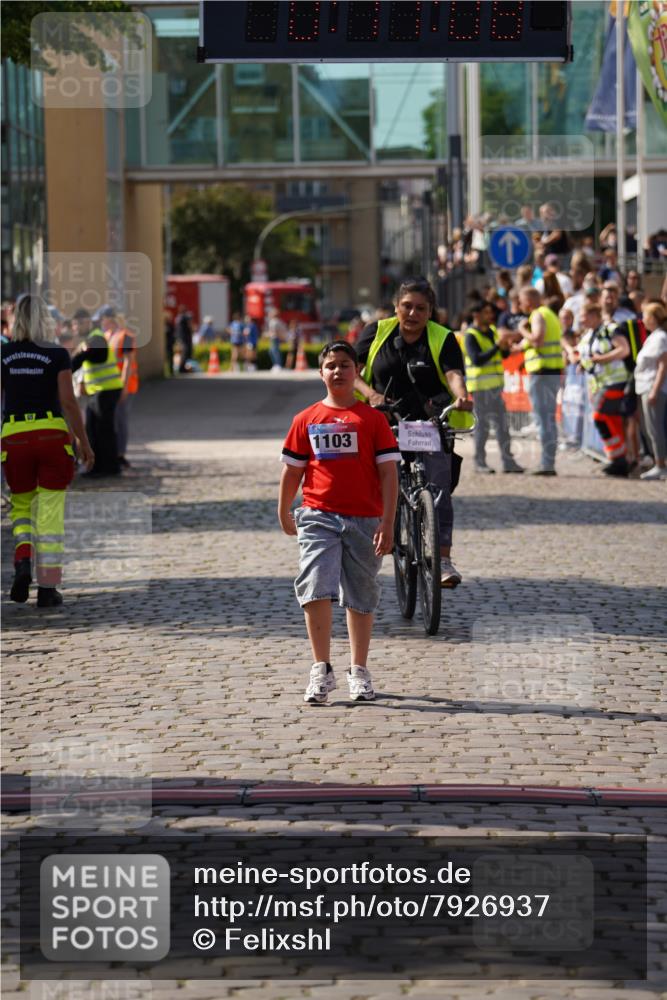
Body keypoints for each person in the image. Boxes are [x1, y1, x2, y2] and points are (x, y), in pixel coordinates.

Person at [278, 341, 400, 704]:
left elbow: (389, 473)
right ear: (321, 372)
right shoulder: (306, 419)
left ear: (356, 372)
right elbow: (292, 470)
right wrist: (284, 509)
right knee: (315, 584)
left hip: (365, 518)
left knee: (361, 595)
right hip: (318, 515)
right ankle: (321, 669)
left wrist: (388, 521)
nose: (338, 371)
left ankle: (359, 670)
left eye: (345, 365)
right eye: (331, 365)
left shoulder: (373, 420)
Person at [355, 276, 474, 587]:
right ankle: (386, 534)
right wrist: (370, 394)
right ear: (396, 307)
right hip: (385, 420)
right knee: (380, 482)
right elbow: (350, 370)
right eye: (406, 306)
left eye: (420, 308)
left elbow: (453, 374)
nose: (412, 313)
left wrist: (461, 396)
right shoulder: (377, 332)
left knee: (438, 488)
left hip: (428, 422)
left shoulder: (443, 337)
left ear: (430, 311)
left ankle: (444, 559)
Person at [1, 294, 94, 607]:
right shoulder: (56, 354)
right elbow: (68, 401)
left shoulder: (5, 354)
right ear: (45, 320)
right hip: (51, 436)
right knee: (50, 514)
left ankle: (23, 561)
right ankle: (47, 588)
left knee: (22, 508)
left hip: (14, 438)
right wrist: (83, 441)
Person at [463, 301, 523, 474]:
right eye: (486, 313)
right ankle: (479, 462)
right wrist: (497, 345)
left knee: (502, 426)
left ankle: (508, 462)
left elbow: (502, 355)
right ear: (476, 315)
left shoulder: (491, 331)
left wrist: (504, 346)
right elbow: (477, 359)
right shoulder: (471, 335)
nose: (490, 316)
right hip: (480, 388)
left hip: (495, 387)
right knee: (483, 427)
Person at [576, 302, 631, 476]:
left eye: (583, 316)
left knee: (600, 417)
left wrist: (603, 359)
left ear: (593, 315)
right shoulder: (589, 335)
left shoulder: (610, 330)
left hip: (616, 381)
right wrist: (583, 365)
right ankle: (618, 460)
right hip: (598, 384)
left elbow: (624, 350)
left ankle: (620, 457)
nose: (581, 320)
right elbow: (589, 357)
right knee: (610, 419)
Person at [515, 287, 565, 475]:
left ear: (529, 300)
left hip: (542, 373)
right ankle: (548, 462)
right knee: (548, 418)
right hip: (551, 370)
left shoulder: (537, 315)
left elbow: (537, 340)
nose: (520, 305)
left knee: (543, 419)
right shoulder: (550, 314)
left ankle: (547, 464)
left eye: (521, 301)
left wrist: (521, 330)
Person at [70, 310, 124, 477]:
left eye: (78, 324)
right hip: (98, 390)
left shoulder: (96, 337)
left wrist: (75, 361)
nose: (75, 328)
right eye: (73, 325)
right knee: (93, 428)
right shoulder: (90, 339)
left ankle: (109, 467)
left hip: (107, 389)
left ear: (86, 322)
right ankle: (98, 466)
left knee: (103, 429)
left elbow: (97, 355)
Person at [102, 307, 139, 469]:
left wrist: (123, 387)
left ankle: (120, 454)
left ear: (110, 319)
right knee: (113, 420)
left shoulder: (126, 337)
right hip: (111, 385)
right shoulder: (108, 336)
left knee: (120, 420)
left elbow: (128, 363)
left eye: (103, 318)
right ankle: (114, 453)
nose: (101, 322)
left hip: (125, 385)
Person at [636, 301, 667, 480]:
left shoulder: (661, 337)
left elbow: (663, 365)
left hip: (653, 387)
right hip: (645, 386)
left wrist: (655, 389)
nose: (643, 320)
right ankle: (659, 462)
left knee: (656, 428)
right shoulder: (654, 336)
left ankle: (660, 464)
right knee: (650, 428)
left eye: (646, 316)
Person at [175, 306, 193, 373]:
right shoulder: (184, 317)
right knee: (185, 353)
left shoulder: (178, 318)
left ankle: (181, 368)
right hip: (184, 338)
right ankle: (181, 368)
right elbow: (189, 325)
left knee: (182, 353)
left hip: (179, 337)